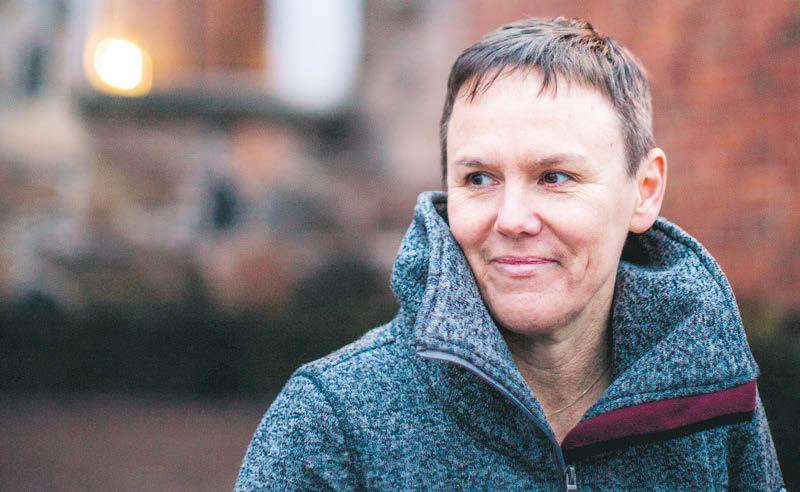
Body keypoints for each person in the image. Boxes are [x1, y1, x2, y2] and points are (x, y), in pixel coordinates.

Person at [236, 17, 784, 490]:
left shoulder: (714, 404)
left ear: (644, 191)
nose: (512, 219)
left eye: (554, 177)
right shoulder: (332, 421)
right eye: (479, 178)